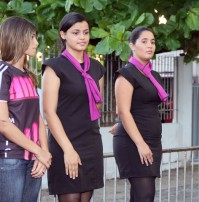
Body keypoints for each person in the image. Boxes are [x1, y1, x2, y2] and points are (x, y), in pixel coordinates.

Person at [42, 12, 105, 202]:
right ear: (63, 35)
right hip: (65, 143)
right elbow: (49, 112)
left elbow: (98, 104)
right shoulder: (54, 67)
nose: (82, 37)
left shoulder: (96, 67)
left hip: (91, 141)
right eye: (75, 32)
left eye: (85, 33)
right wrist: (68, 150)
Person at [113, 26, 168, 202]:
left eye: (152, 42)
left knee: (140, 196)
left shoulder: (154, 76)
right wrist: (140, 144)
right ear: (132, 45)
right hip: (134, 142)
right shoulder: (126, 74)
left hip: (152, 141)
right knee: (145, 195)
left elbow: (143, 106)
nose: (150, 46)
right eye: (144, 41)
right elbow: (123, 110)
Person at [0, 16, 52, 202]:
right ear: (17, 37)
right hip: (9, 159)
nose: (36, 42)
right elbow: (3, 123)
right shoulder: (3, 73)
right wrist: (39, 151)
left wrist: (43, 153)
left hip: (33, 159)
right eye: (32, 37)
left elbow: (37, 117)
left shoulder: (29, 76)